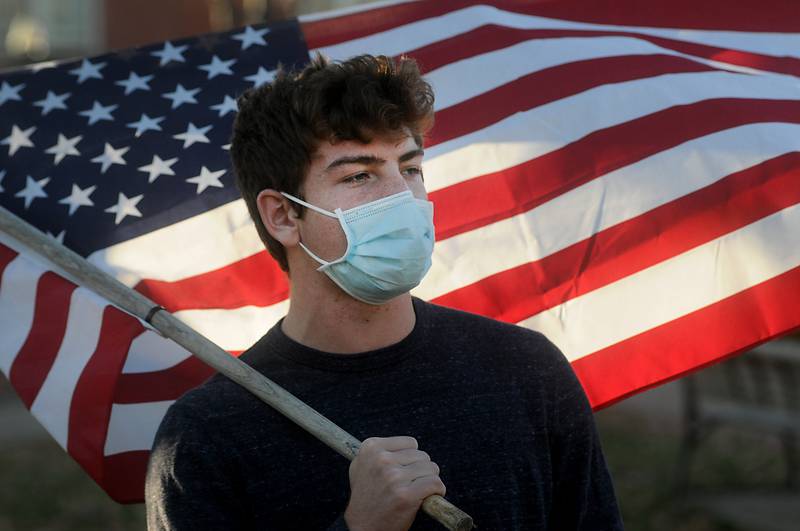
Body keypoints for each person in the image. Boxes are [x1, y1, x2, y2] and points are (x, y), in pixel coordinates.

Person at [145, 54, 624, 530]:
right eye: (359, 175)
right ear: (283, 216)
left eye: (410, 168)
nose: (402, 196)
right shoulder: (208, 434)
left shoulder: (526, 370)